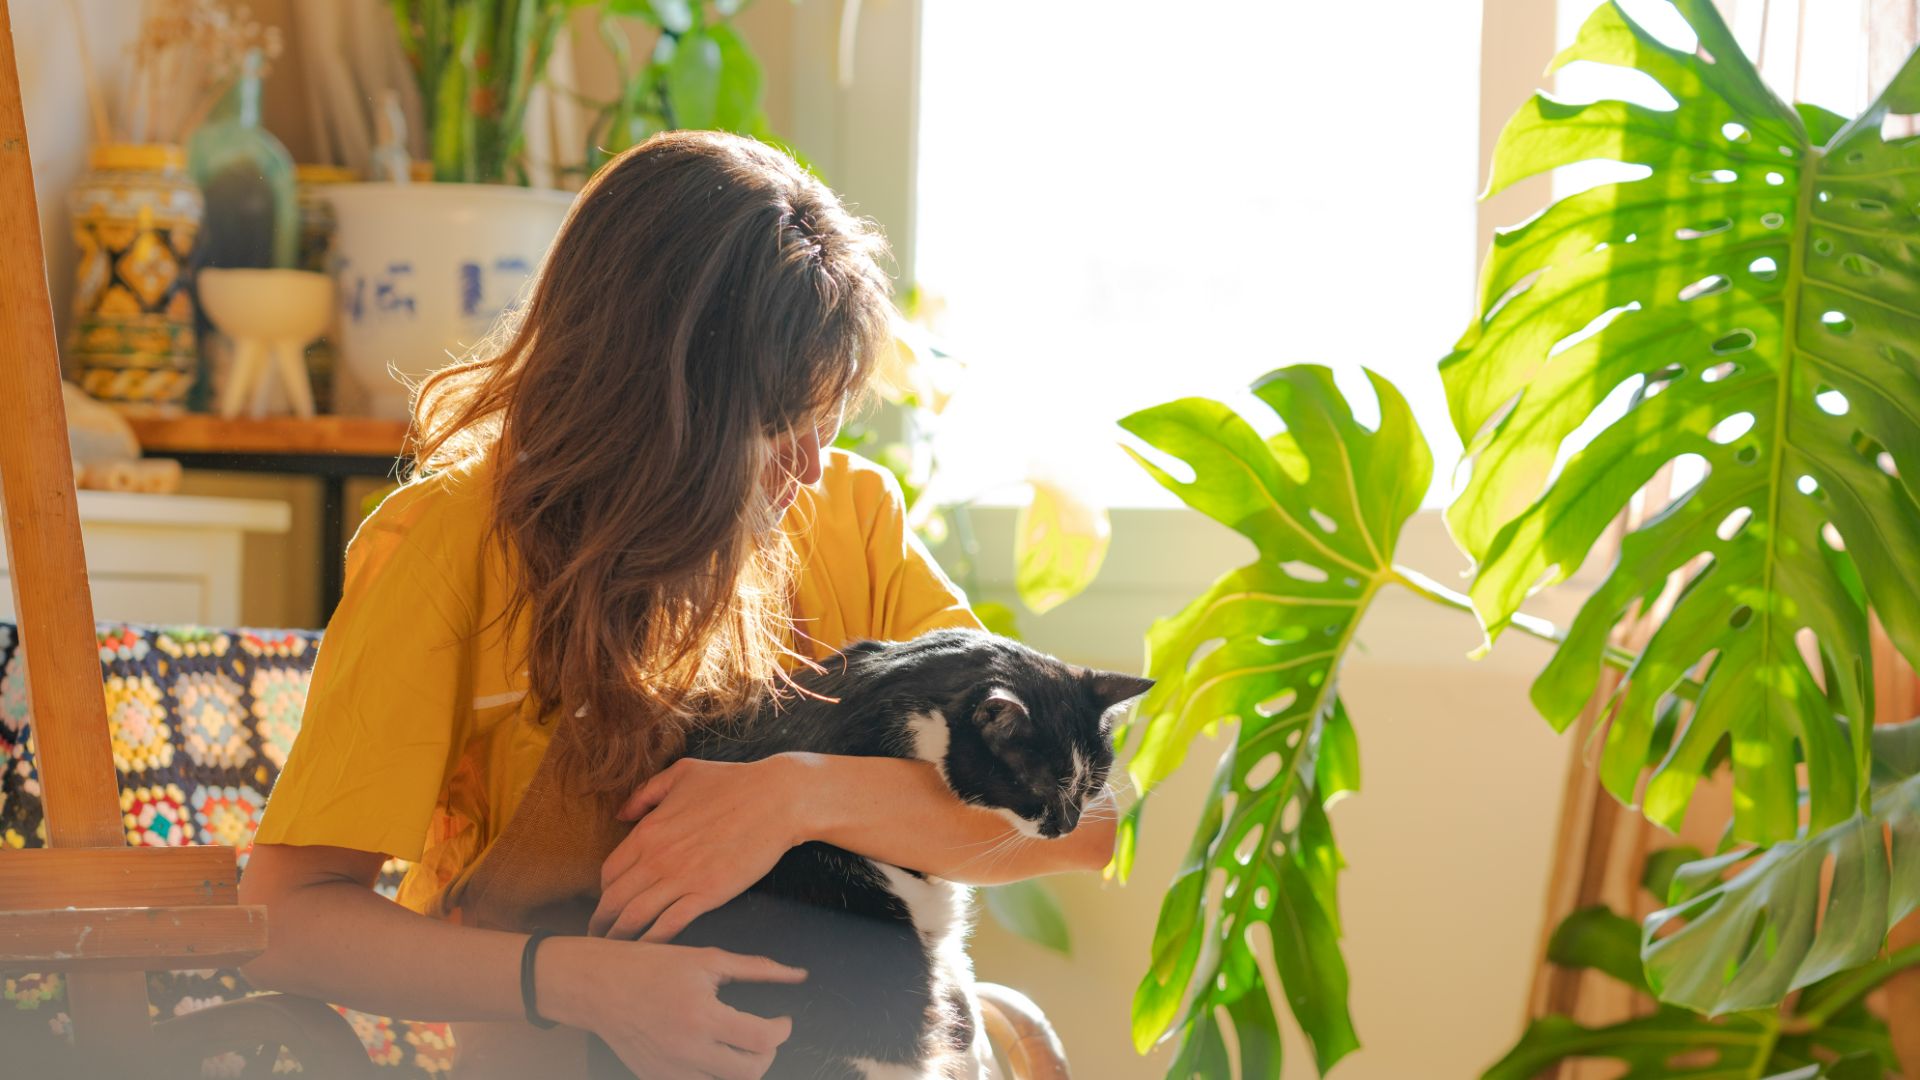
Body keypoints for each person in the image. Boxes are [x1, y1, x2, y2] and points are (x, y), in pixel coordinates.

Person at [239, 131, 1116, 1080]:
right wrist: (583, 984)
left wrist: (788, 798)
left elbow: (1095, 817)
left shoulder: (850, 516)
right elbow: (287, 917)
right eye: (778, 428)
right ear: (654, 405)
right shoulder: (452, 544)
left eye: (827, 419)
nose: (812, 468)